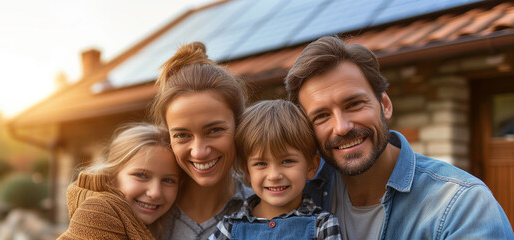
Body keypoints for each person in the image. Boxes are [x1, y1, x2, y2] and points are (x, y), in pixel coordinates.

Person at [285, 36, 513, 239]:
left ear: (384, 105)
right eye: (322, 116)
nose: (342, 128)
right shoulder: (295, 193)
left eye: (354, 104)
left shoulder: (462, 206)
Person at [150, 42, 252, 239]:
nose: (199, 152)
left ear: (239, 126)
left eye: (214, 130)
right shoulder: (147, 209)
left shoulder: (266, 212)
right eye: (182, 135)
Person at [209, 100, 341, 240]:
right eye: (261, 164)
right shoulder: (229, 228)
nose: (274, 176)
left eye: (287, 161)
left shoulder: (322, 225)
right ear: (247, 171)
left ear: (311, 166)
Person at [57, 123, 181, 240]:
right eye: (141, 175)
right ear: (112, 178)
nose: (155, 193)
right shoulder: (99, 214)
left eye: (168, 180)